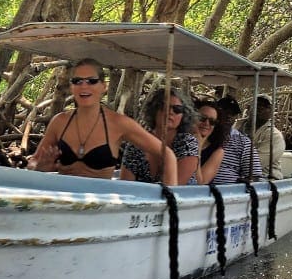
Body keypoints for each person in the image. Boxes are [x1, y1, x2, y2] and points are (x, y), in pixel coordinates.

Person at [29, 59, 176, 183]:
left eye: (91, 81)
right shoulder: (59, 122)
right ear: (71, 86)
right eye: (77, 81)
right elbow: (33, 162)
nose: (84, 86)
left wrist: (171, 200)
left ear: (103, 87)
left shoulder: (119, 123)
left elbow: (167, 155)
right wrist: (40, 167)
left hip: (99, 205)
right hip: (64, 201)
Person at [119, 86, 199, 185]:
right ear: (154, 110)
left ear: (183, 115)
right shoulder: (137, 143)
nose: (170, 112)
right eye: (163, 106)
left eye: (177, 109)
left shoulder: (187, 142)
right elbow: (126, 184)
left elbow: (174, 187)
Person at [210, 95, 263, 184]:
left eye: (233, 113)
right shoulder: (204, 135)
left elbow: (255, 176)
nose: (229, 116)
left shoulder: (244, 142)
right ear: (216, 112)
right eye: (225, 111)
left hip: (230, 192)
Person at [247, 94, 286, 179]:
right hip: (236, 173)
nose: (260, 108)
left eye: (266, 106)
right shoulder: (237, 125)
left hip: (266, 178)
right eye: (257, 105)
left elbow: (255, 164)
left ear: (271, 112)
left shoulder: (275, 136)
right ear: (249, 108)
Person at [193, 98, 227, 184]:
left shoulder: (218, 151)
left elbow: (200, 183)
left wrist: (197, 148)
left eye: (212, 121)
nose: (207, 123)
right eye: (202, 118)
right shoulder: (179, 139)